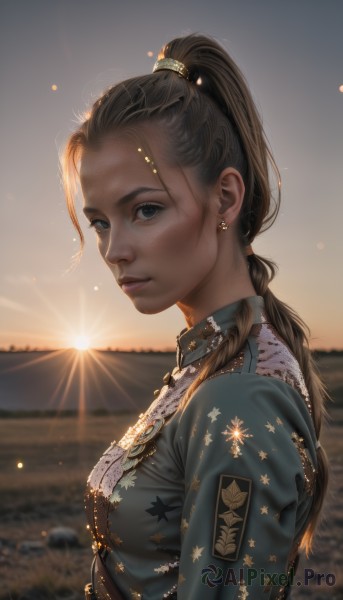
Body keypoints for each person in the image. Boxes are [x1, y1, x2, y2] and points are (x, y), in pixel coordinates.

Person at [62, 34, 328, 600]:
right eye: (101, 221)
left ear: (226, 199)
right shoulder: (208, 362)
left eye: (146, 210)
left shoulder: (237, 397)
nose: (114, 250)